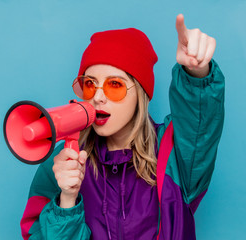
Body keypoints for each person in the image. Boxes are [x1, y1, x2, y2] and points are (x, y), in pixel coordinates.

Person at [20, 14, 225, 240]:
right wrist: (67, 202)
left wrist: (196, 74)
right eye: (90, 84)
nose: (98, 97)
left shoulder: (173, 155)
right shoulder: (62, 163)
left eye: (114, 85)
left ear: (140, 93)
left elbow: (198, 124)